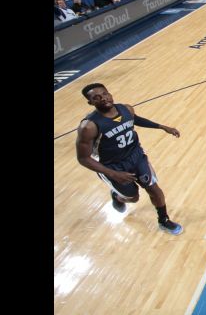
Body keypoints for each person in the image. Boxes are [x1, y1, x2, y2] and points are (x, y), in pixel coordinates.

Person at [75, 83, 184, 235]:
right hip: (112, 166)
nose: (103, 98)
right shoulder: (89, 126)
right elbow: (83, 158)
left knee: (154, 189)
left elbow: (135, 119)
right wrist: (114, 174)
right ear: (91, 103)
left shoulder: (126, 109)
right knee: (133, 198)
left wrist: (162, 126)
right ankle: (118, 197)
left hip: (136, 156)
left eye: (105, 94)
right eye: (97, 98)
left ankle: (164, 220)